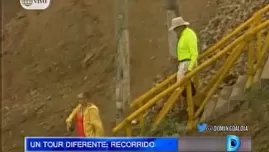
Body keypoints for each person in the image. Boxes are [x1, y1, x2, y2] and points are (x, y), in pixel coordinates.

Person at [169, 17, 198, 97]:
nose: (175, 31)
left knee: (180, 86)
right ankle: (191, 101)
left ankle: (193, 99)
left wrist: (190, 68)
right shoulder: (183, 35)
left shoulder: (189, 35)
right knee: (181, 86)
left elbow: (194, 53)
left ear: (181, 27)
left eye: (176, 29)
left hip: (187, 63)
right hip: (184, 63)